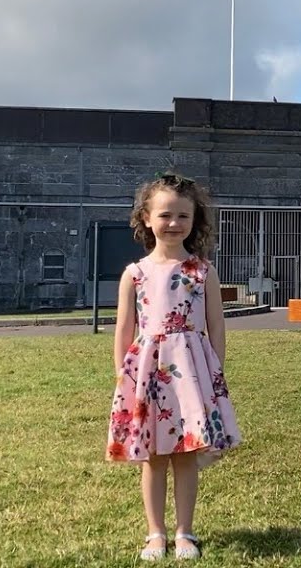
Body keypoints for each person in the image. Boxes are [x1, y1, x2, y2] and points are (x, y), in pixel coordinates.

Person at [105, 172, 241, 560]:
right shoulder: (134, 274)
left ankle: (185, 532)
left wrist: (214, 374)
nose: (174, 223)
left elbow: (216, 326)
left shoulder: (203, 271)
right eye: (165, 215)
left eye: (183, 215)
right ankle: (155, 533)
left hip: (191, 376)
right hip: (147, 377)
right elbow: (124, 329)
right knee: (153, 458)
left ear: (195, 221)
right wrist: (123, 378)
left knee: (185, 456)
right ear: (146, 218)